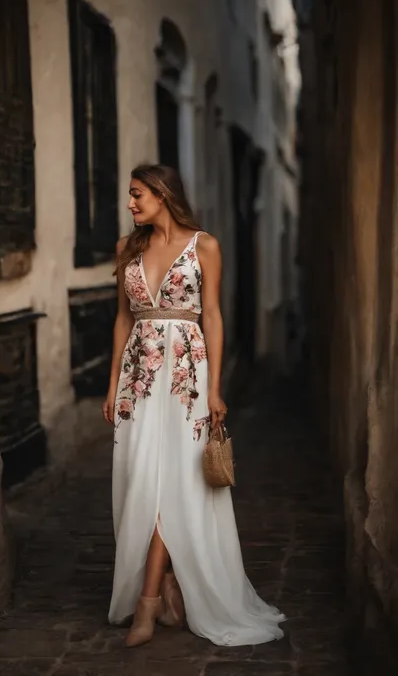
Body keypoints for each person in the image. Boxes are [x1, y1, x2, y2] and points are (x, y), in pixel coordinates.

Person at [102, 164, 285, 648]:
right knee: (141, 479)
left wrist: (216, 388)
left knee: (174, 484)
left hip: (187, 378)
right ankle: (164, 587)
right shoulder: (128, 249)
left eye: (137, 195)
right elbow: (123, 321)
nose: (131, 204)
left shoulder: (204, 246)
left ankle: (147, 604)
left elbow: (213, 316)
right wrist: (111, 385)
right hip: (139, 380)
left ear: (162, 194)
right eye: (130, 196)